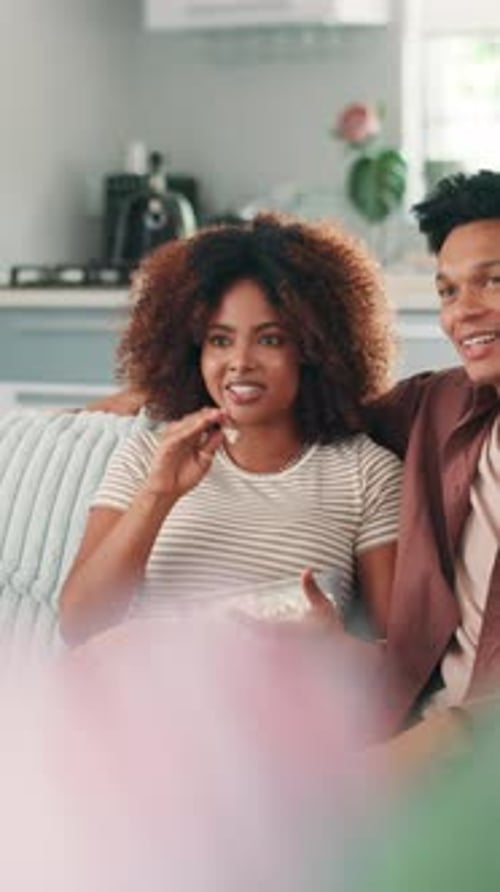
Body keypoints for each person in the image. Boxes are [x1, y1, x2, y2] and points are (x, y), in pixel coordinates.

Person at [59, 212, 402, 648]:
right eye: (219, 340)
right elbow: (78, 627)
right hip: (145, 692)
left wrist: (334, 648)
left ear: (314, 350)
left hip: (283, 702)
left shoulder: (366, 473)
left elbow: (402, 662)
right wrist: (159, 495)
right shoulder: (149, 457)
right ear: (192, 352)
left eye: (270, 339)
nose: (240, 361)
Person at [364, 169, 500, 744]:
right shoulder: (438, 404)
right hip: (423, 737)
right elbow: (300, 405)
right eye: (448, 290)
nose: (462, 312)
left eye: (493, 282)